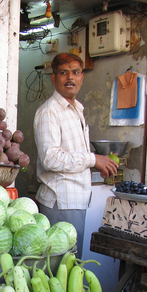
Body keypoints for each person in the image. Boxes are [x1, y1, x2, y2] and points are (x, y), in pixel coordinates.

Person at [33, 53, 118, 258]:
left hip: (75, 202)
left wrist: (95, 163)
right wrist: (92, 159)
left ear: (82, 77)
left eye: (76, 72)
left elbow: (71, 152)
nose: (70, 78)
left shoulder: (76, 110)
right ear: (54, 78)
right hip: (60, 203)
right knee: (58, 268)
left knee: (69, 266)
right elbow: (50, 157)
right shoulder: (49, 112)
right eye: (63, 73)